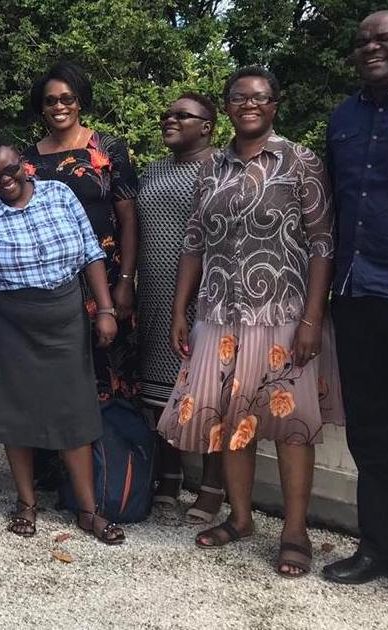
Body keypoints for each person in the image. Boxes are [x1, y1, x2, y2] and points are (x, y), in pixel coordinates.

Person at [158, 66, 343, 578]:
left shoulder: (299, 161)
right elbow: (195, 241)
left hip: (284, 314)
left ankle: (295, 533)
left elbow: (324, 243)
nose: (248, 105)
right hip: (219, 314)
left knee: (292, 427)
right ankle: (240, 520)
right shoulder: (212, 168)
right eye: (239, 97)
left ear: (274, 105)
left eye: (259, 97)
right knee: (230, 421)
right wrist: (181, 308)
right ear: (229, 106)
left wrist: (312, 317)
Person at [0, 137, 124, 543]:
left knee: (74, 414)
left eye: (10, 169)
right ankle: (26, 503)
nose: (5, 180)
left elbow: (90, 254)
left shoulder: (60, 194)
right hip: (9, 325)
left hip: (64, 320)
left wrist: (105, 309)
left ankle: (88, 511)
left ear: (24, 165)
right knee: (18, 416)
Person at [322, 10, 388, 585]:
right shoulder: (345, 115)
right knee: (372, 433)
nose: (370, 48)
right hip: (358, 295)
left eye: (383, 38)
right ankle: (383, 551)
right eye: (361, 40)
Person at [22, 60, 141, 490]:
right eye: (50, 100)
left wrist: (125, 280)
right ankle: (56, 473)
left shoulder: (107, 149)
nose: (58, 106)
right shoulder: (29, 160)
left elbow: (128, 217)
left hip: (106, 280)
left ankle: (113, 472)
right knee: (54, 375)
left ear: (80, 101)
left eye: (66, 98)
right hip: (51, 286)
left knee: (107, 368)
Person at [137, 93, 224, 523]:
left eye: (182, 115)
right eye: (167, 113)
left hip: (206, 296)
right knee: (159, 394)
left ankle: (211, 486)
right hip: (153, 292)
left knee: (208, 393)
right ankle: (169, 477)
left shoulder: (223, 167)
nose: (170, 119)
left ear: (207, 125)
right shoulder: (151, 170)